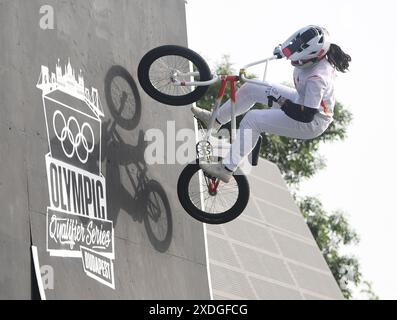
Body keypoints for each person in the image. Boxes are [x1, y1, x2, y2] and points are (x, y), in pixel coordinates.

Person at [191, 25, 351, 182]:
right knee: (252, 86)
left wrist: (281, 101)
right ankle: (215, 120)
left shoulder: (318, 78)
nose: (296, 61)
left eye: (301, 59)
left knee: (252, 120)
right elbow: (290, 48)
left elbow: (306, 115)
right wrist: (282, 50)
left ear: (316, 56)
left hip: (312, 121)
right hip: (299, 99)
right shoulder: (309, 41)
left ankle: (225, 169)